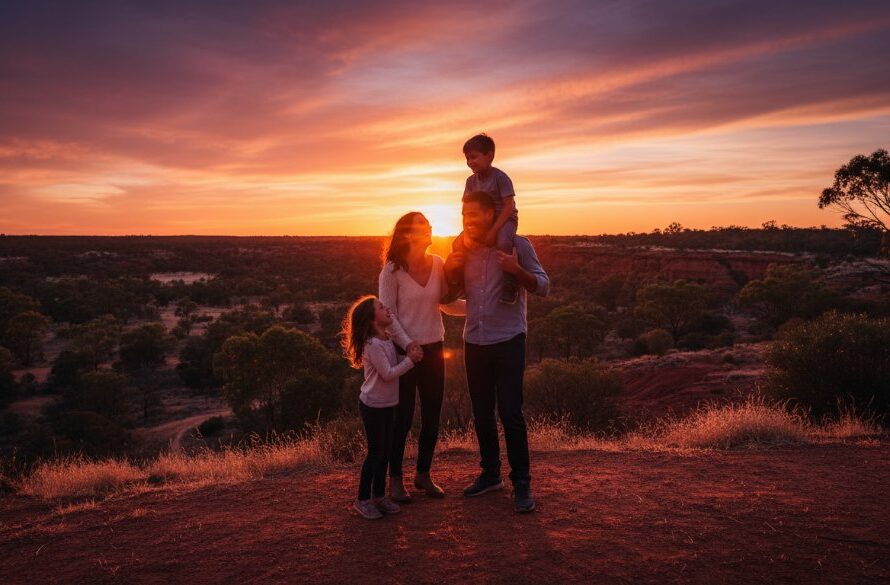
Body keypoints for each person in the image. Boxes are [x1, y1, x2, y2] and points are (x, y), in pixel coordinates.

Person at [444, 191, 550, 513]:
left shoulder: (518, 245)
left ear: (494, 215)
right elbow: (448, 293)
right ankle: (490, 475)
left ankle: (522, 482)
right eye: (464, 216)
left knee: (511, 413)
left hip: (508, 340)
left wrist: (516, 270)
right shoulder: (462, 248)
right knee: (482, 414)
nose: (469, 221)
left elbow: (544, 286)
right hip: (474, 340)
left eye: (475, 215)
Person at [379, 212, 466, 502]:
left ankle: (423, 474)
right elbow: (388, 318)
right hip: (404, 352)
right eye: (419, 228)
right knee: (401, 418)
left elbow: (447, 303)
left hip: (434, 348)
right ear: (406, 234)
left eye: (428, 226)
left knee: (431, 414)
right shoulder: (391, 272)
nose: (427, 231)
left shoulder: (438, 264)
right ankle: (395, 480)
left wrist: (480, 307)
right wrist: (409, 345)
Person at [341, 295, 423, 519]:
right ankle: (362, 499)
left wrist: (409, 354)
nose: (387, 309)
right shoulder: (372, 345)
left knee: (385, 451)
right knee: (375, 452)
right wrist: (410, 361)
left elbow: (395, 366)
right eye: (381, 307)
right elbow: (388, 374)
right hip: (373, 405)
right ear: (371, 319)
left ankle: (379, 496)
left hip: (388, 404)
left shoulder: (386, 340)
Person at [451, 133, 520, 304]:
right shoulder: (471, 182)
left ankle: (509, 286)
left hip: (504, 219)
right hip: (480, 222)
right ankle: (461, 284)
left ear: (489, 155)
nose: (470, 162)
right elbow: (465, 211)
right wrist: (467, 233)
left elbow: (508, 206)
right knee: (458, 244)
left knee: (503, 242)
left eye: (474, 157)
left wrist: (494, 231)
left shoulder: (500, 178)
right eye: (467, 159)